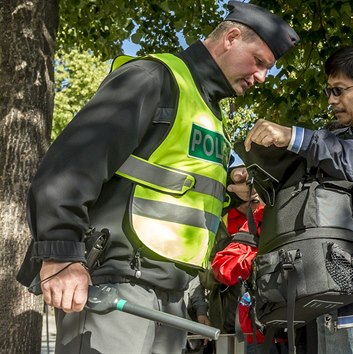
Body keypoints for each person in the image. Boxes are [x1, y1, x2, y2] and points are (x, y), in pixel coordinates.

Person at [15, 2, 299, 353]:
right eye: (259, 62)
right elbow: (70, 167)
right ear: (232, 37)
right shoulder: (154, 77)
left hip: (170, 298)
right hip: (116, 286)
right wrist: (60, 255)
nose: (261, 77)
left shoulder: (208, 110)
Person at [243, 45, 353, 354]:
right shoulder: (334, 136)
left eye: (338, 90)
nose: (331, 100)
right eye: (328, 90)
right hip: (326, 289)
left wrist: (294, 137)